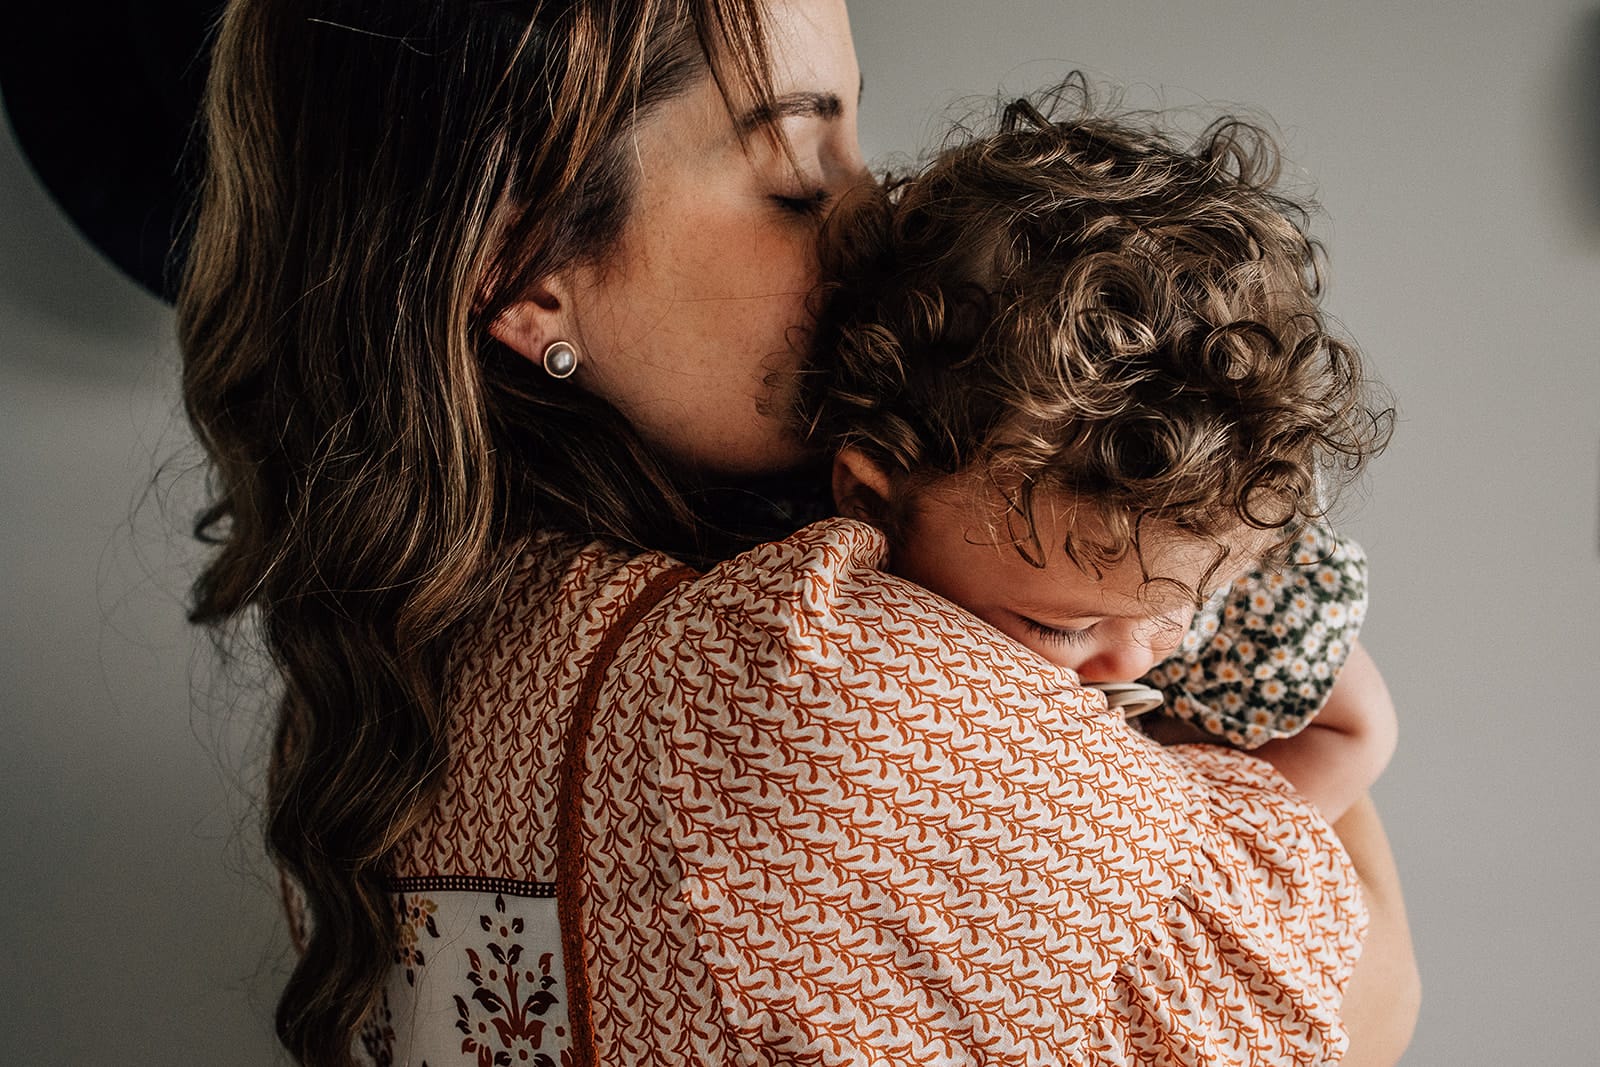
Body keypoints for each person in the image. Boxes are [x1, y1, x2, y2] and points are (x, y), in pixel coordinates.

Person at [176, 2, 1419, 1065]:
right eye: (794, 177)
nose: (873, 217)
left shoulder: (364, 712)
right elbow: (1357, 1004)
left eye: (858, 143)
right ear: (525, 266)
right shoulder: (807, 689)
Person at [800, 94, 1397, 824]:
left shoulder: (1228, 594)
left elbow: (1360, 728)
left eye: (1182, 609)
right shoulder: (808, 594)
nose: (1135, 658)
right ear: (871, 498)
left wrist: (1187, 832)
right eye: (1060, 627)